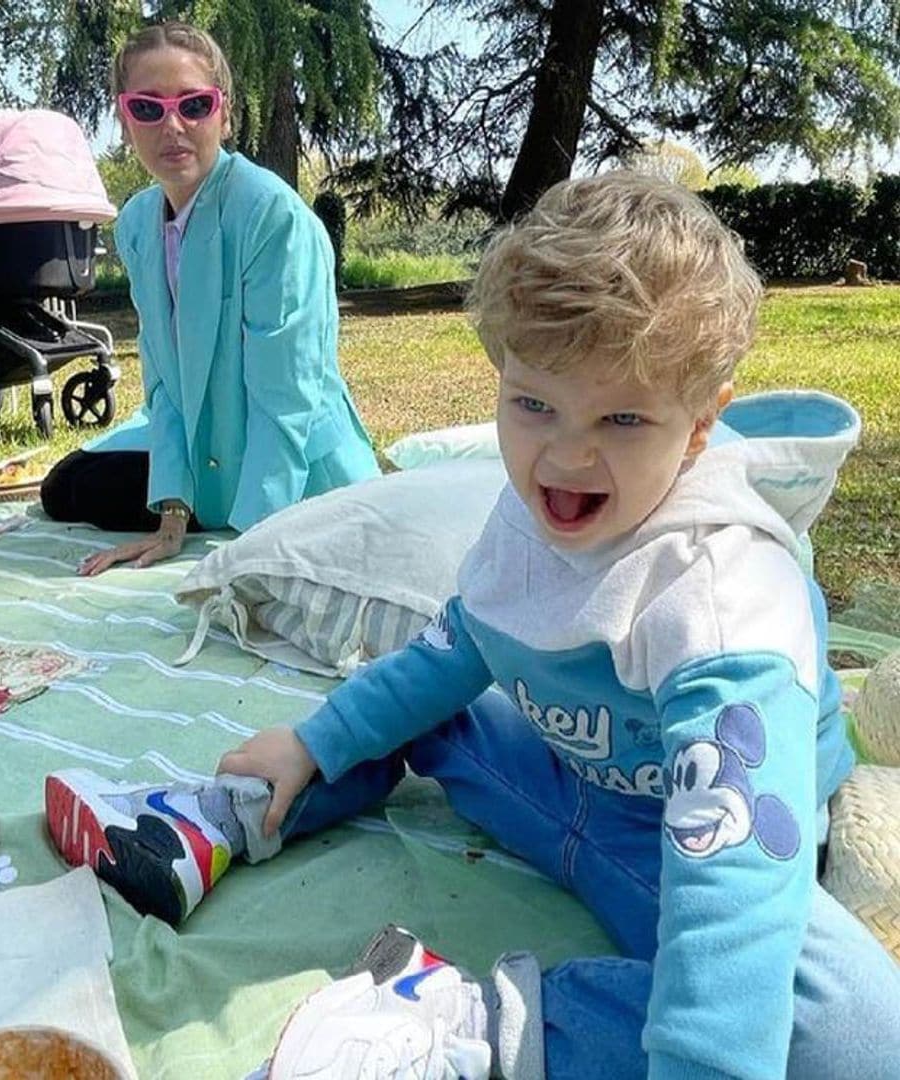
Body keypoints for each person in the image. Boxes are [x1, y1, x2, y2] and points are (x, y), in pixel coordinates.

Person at [44, 172, 900, 1078]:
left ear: (697, 429)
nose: (566, 456)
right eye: (534, 404)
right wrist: (309, 744)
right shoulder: (526, 521)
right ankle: (221, 819)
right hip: (556, 777)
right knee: (410, 707)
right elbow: (452, 654)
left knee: (857, 1033)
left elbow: (735, 892)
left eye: (622, 417)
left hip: (678, 846)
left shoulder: (724, 601)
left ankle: (469, 1024)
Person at [40, 22, 379, 575]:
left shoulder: (270, 215)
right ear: (126, 121)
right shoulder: (136, 224)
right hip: (210, 468)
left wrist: (249, 553)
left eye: (194, 104)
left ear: (224, 113)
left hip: (297, 479)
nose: (173, 125)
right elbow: (163, 383)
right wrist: (171, 518)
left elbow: (285, 395)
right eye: (148, 108)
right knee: (64, 489)